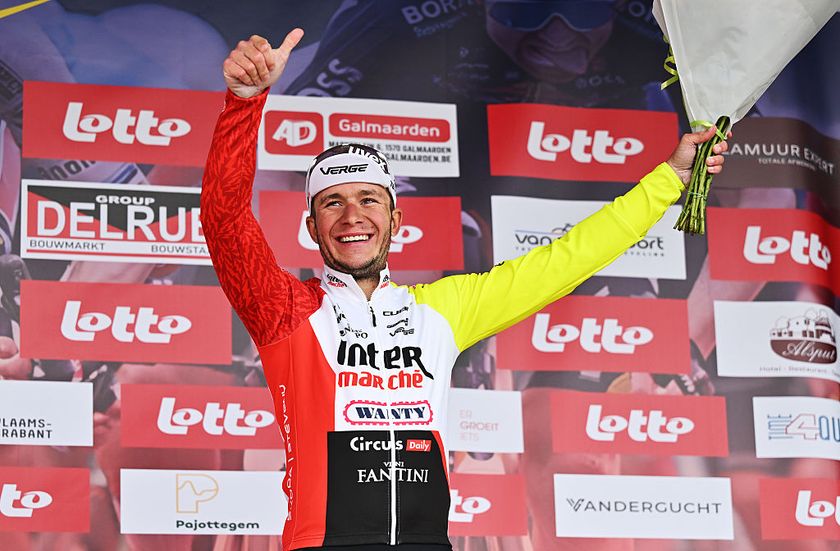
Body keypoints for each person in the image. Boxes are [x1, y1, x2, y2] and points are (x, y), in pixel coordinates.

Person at [201, 29, 729, 551]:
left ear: (395, 220)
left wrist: (670, 180)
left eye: (369, 200)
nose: (353, 215)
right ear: (313, 227)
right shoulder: (286, 313)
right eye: (332, 203)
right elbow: (225, 220)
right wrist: (245, 103)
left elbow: (572, 257)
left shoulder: (443, 310)